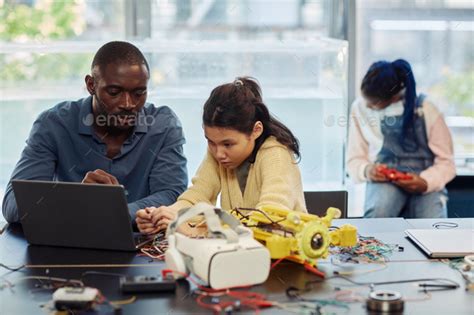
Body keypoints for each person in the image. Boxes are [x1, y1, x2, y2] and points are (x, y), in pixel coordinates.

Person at [2, 41, 188, 223]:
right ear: (91, 85)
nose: (128, 104)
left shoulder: (163, 126)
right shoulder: (53, 125)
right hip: (68, 242)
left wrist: (117, 210)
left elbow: (173, 196)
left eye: (138, 93)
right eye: (114, 92)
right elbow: (13, 204)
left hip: (142, 243)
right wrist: (79, 199)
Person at [136, 77, 307, 234]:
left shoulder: (276, 155)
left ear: (256, 130)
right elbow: (198, 195)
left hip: (284, 260)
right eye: (210, 141)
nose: (218, 153)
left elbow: (268, 220)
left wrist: (194, 229)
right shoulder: (218, 152)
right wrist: (165, 215)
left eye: (228, 144)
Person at [347, 59, 455, 218]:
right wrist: (367, 170)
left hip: (426, 176)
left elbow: (447, 163)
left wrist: (425, 182)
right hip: (385, 179)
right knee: (378, 214)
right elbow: (354, 158)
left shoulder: (427, 108)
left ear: (394, 97)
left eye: (373, 103)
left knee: (433, 226)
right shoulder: (360, 107)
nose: (368, 106)